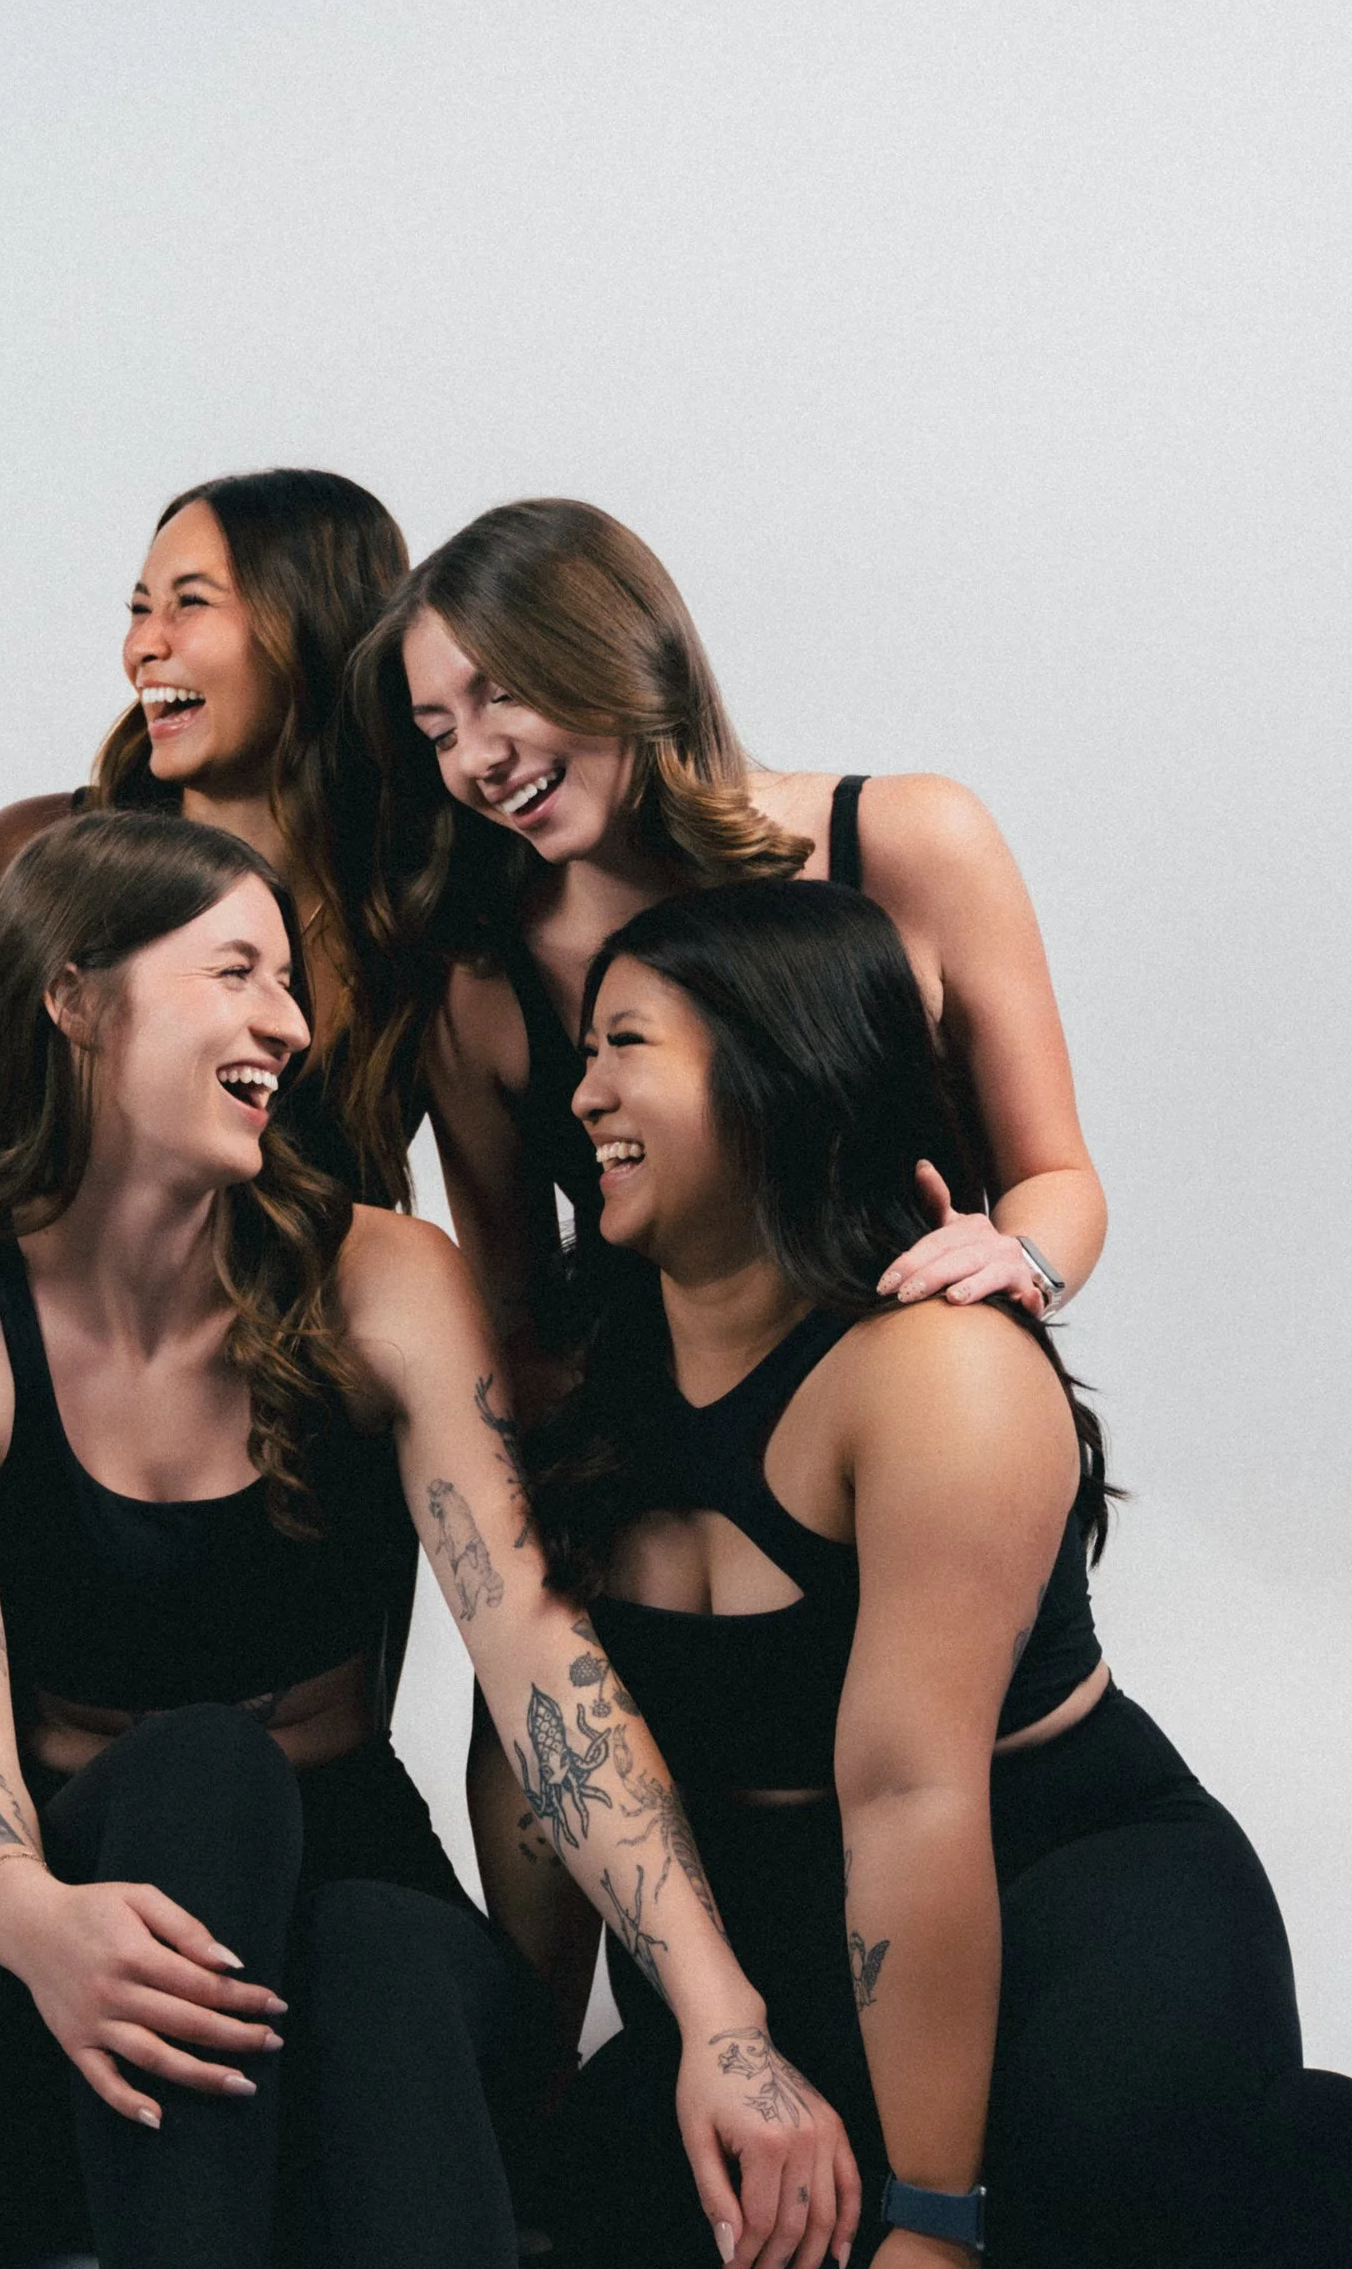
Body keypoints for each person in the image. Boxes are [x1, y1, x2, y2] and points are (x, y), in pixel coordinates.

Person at [0, 809, 854, 2269]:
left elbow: (539, 1664)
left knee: (389, 1935)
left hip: (341, 2005)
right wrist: (27, 1912)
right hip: (62, 1993)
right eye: (233, 972)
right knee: (197, 1773)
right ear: (73, 999)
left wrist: (722, 2016)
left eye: (290, 979)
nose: (291, 1022)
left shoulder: (380, 1276)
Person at [515, 878, 1352, 2269]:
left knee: (1108, 2154)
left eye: (627, 1045)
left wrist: (930, 2217)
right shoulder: (584, 1366)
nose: (583, 1095)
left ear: (778, 1069)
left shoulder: (936, 1367)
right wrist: (557, 2068)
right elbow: (534, 1753)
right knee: (585, 2240)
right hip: (790, 1928)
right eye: (583, 1052)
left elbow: (914, 1797)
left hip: (1064, 1873)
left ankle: (1212, 2253)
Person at [353, 495, 1108, 2026]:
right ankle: (541, 2080)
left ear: (617, 649)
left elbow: (1060, 1177)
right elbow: (519, 1308)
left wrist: (1012, 1259)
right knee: (535, 1703)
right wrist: (555, 1564)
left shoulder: (904, 840)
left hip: (900, 1404)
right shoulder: (485, 978)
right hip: (664, 1454)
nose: (474, 757)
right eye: (436, 730)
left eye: (497, 694)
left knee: (934, 1781)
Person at [0, 469, 413, 1252]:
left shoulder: (414, 918)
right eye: (141, 609)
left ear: (314, 624)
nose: (142, 647)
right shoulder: (30, 860)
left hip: (306, 1333)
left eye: (190, 602)